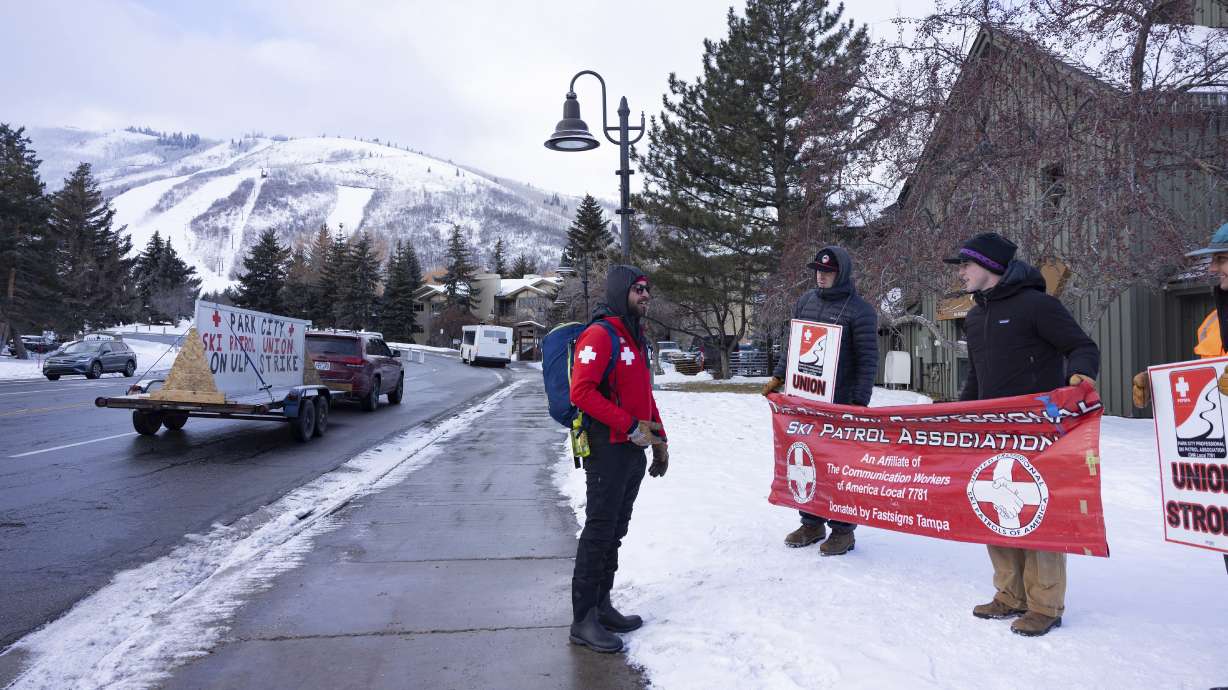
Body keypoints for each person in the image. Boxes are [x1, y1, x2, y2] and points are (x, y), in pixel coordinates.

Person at [945, 232, 1100, 637]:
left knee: (1038, 514)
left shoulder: (1038, 305)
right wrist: (958, 416)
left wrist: (1078, 377)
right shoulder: (976, 316)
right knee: (995, 508)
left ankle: (1045, 604)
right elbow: (976, 376)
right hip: (992, 430)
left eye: (965, 265)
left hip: (1038, 432)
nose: (960, 273)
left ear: (990, 266)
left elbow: (1082, 346)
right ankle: (1009, 596)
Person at [567, 265, 669, 653]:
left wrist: (660, 440)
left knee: (616, 532)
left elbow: (646, 396)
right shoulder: (601, 334)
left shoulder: (635, 337)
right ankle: (583, 620)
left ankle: (602, 605)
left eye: (647, 289)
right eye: (638, 289)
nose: (645, 295)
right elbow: (582, 392)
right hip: (606, 448)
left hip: (633, 449)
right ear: (620, 292)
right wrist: (629, 426)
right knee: (598, 531)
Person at [762, 246, 878, 556]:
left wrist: (858, 404)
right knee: (806, 460)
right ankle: (811, 522)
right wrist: (777, 377)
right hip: (805, 400)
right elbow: (794, 345)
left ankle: (843, 530)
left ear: (842, 274)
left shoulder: (860, 310)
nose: (820, 275)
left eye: (827, 271)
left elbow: (867, 361)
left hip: (840, 405)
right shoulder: (805, 302)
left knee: (839, 467)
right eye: (818, 270)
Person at [1133, 223, 1228, 408]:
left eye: (1222, 259)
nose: (1212, 268)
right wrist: (1158, 385)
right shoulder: (1213, 320)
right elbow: (1207, 377)